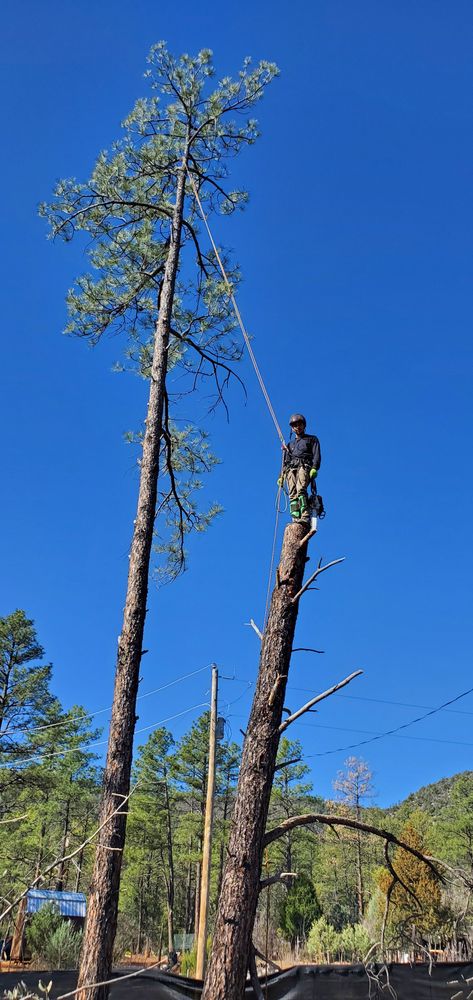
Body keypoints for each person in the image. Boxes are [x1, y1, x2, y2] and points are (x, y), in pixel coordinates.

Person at [278, 413, 321, 524]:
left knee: (300, 489)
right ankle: (295, 518)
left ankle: (305, 515)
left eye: (299, 424)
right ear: (292, 428)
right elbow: (285, 461)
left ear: (304, 425)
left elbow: (316, 454)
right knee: (292, 493)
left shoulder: (311, 439)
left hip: (304, 466)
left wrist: (314, 468)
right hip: (290, 469)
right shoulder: (289, 445)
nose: (297, 427)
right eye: (295, 425)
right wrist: (282, 476)